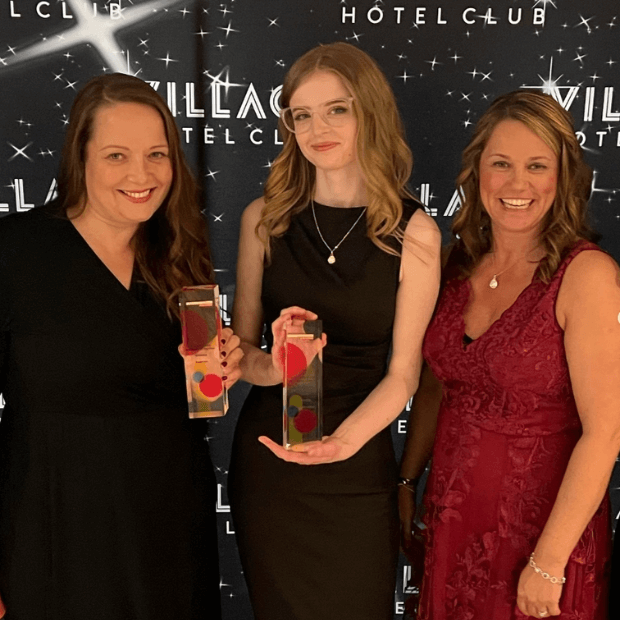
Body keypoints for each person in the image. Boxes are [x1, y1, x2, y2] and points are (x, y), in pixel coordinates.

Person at [0, 73, 242, 619]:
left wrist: (226, 365)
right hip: (55, 537)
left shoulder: (181, 255)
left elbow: (204, 396)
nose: (141, 175)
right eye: (117, 156)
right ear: (80, 158)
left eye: (157, 154)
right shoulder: (14, 252)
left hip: (169, 534)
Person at [227, 41, 441, 620]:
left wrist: (343, 443)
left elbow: (404, 375)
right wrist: (266, 364)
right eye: (302, 115)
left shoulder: (415, 233)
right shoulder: (263, 220)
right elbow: (243, 353)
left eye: (336, 109)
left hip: (358, 461)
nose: (317, 129)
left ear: (369, 110)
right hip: (273, 461)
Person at [399, 90, 619, 619]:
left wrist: (549, 562)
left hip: (540, 544)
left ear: (562, 178)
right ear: (478, 172)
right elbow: (434, 387)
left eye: (536, 166)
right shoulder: (455, 266)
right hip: (450, 527)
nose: (517, 184)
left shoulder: (585, 275)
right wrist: (406, 481)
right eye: (501, 164)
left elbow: (606, 432)